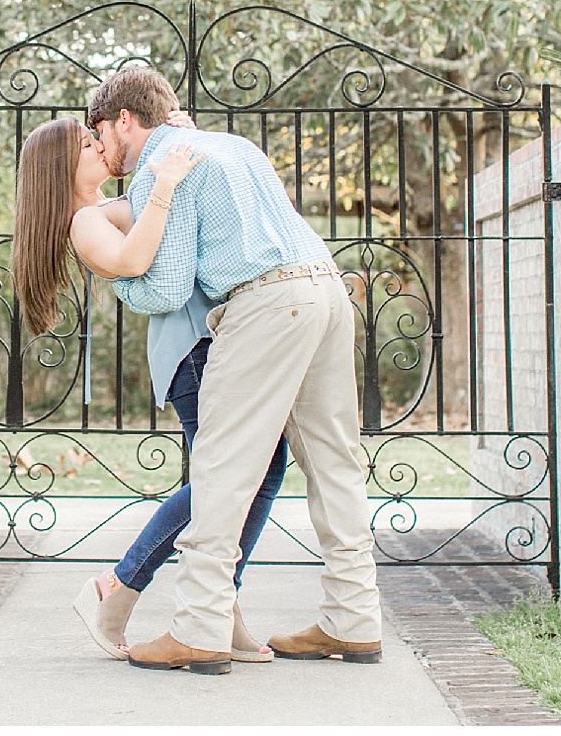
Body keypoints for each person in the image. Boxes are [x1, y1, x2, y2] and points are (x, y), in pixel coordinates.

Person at [87, 66, 384, 676]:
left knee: (223, 466)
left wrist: (116, 279)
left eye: (100, 130)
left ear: (124, 118)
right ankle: (354, 621)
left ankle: (198, 630)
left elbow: (166, 287)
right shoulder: (236, 146)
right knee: (335, 463)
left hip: (266, 303)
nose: (102, 147)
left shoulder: (159, 170)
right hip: (326, 289)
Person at [12, 109, 286, 665]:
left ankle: (217, 604)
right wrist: (163, 183)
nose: (98, 148)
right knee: (231, 476)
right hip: (191, 352)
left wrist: (175, 145)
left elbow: (174, 207)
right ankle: (122, 585)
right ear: (64, 165)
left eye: (97, 138)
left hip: (210, 345)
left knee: (258, 469)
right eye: (88, 144)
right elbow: (133, 256)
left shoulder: (106, 207)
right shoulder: (83, 222)